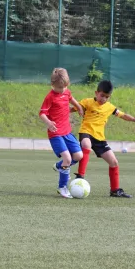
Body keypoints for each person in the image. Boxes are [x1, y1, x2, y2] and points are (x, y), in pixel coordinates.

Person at [72, 80, 135, 198]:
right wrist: (59, 112)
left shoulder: (110, 107)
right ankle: (80, 176)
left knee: (114, 162)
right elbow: (73, 108)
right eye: (102, 95)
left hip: (100, 138)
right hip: (86, 132)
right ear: (96, 93)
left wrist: (134, 119)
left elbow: (123, 115)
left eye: (106, 97)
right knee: (86, 144)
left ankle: (114, 190)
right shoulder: (87, 102)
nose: (103, 99)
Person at [39, 68, 84, 198]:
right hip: (56, 134)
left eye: (64, 87)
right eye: (59, 87)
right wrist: (49, 123)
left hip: (67, 132)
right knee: (68, 158)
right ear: (52, 85)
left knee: (79, 156)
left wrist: (79, 108)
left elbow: (72, 99)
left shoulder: (67, 92)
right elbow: (42, 113)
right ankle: (62, 187)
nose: (62, 89)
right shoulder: (50, 97)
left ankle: (60, 166)